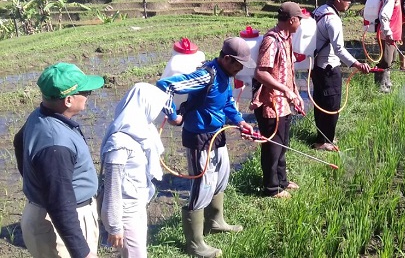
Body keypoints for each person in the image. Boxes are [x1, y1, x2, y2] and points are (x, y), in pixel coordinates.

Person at [156, 37, 255, 258]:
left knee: (221, 177)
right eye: (239, 64)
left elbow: (227, 102)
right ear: (227, 59)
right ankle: (195, 244)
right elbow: (166, 85)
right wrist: (172, 115)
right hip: (199, 137)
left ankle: (215, 221)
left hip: (216, 135)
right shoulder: (205, 75)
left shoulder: (225, 76)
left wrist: (240, 121)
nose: (240, 69)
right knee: (202, 187)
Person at [13, 62, 104, 258]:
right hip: (58, 224)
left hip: (47, 214)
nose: (88, 96)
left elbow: (18, 141)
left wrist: (36, 181)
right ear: (69, 100)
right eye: (85, 91)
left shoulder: (39, 116)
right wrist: (81, 252)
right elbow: (60, 204)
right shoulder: (56, 144)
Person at [99, 83, 169, 258]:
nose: (157, 112)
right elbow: (112, 188)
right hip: (125, 212)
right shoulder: (119, 143)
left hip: (137, 204)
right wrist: (114, 227)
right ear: (145, 105)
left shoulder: (142, 131)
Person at [251, 2, 305, 198]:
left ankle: (282, 180)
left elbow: (288, 71)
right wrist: (284, 90)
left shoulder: (287, 38)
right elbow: (260, 73)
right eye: (299, 20)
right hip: (271, 104)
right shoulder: (271, 41)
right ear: (291, 20)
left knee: (283, 143)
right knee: (272, 146)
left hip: (284, 104)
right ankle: (272, 188)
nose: (300, 24)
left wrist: (296, 94)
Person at [311, 0, 370, 151]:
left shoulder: (320, 10)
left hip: (317, 66)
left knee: (320, 102)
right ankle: (326, 142)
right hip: (329, 67)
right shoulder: (333, 19)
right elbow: (339, 50)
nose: (349, 3)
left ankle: (321, 137)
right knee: (331, 105)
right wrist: (357, 64)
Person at [374, 0, 405, 93]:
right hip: (387, 36)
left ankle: (387, 83)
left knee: (391, 60)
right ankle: (381, 87)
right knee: (385, 61)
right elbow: (384, 15)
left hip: (393, 35)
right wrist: (387, 32)